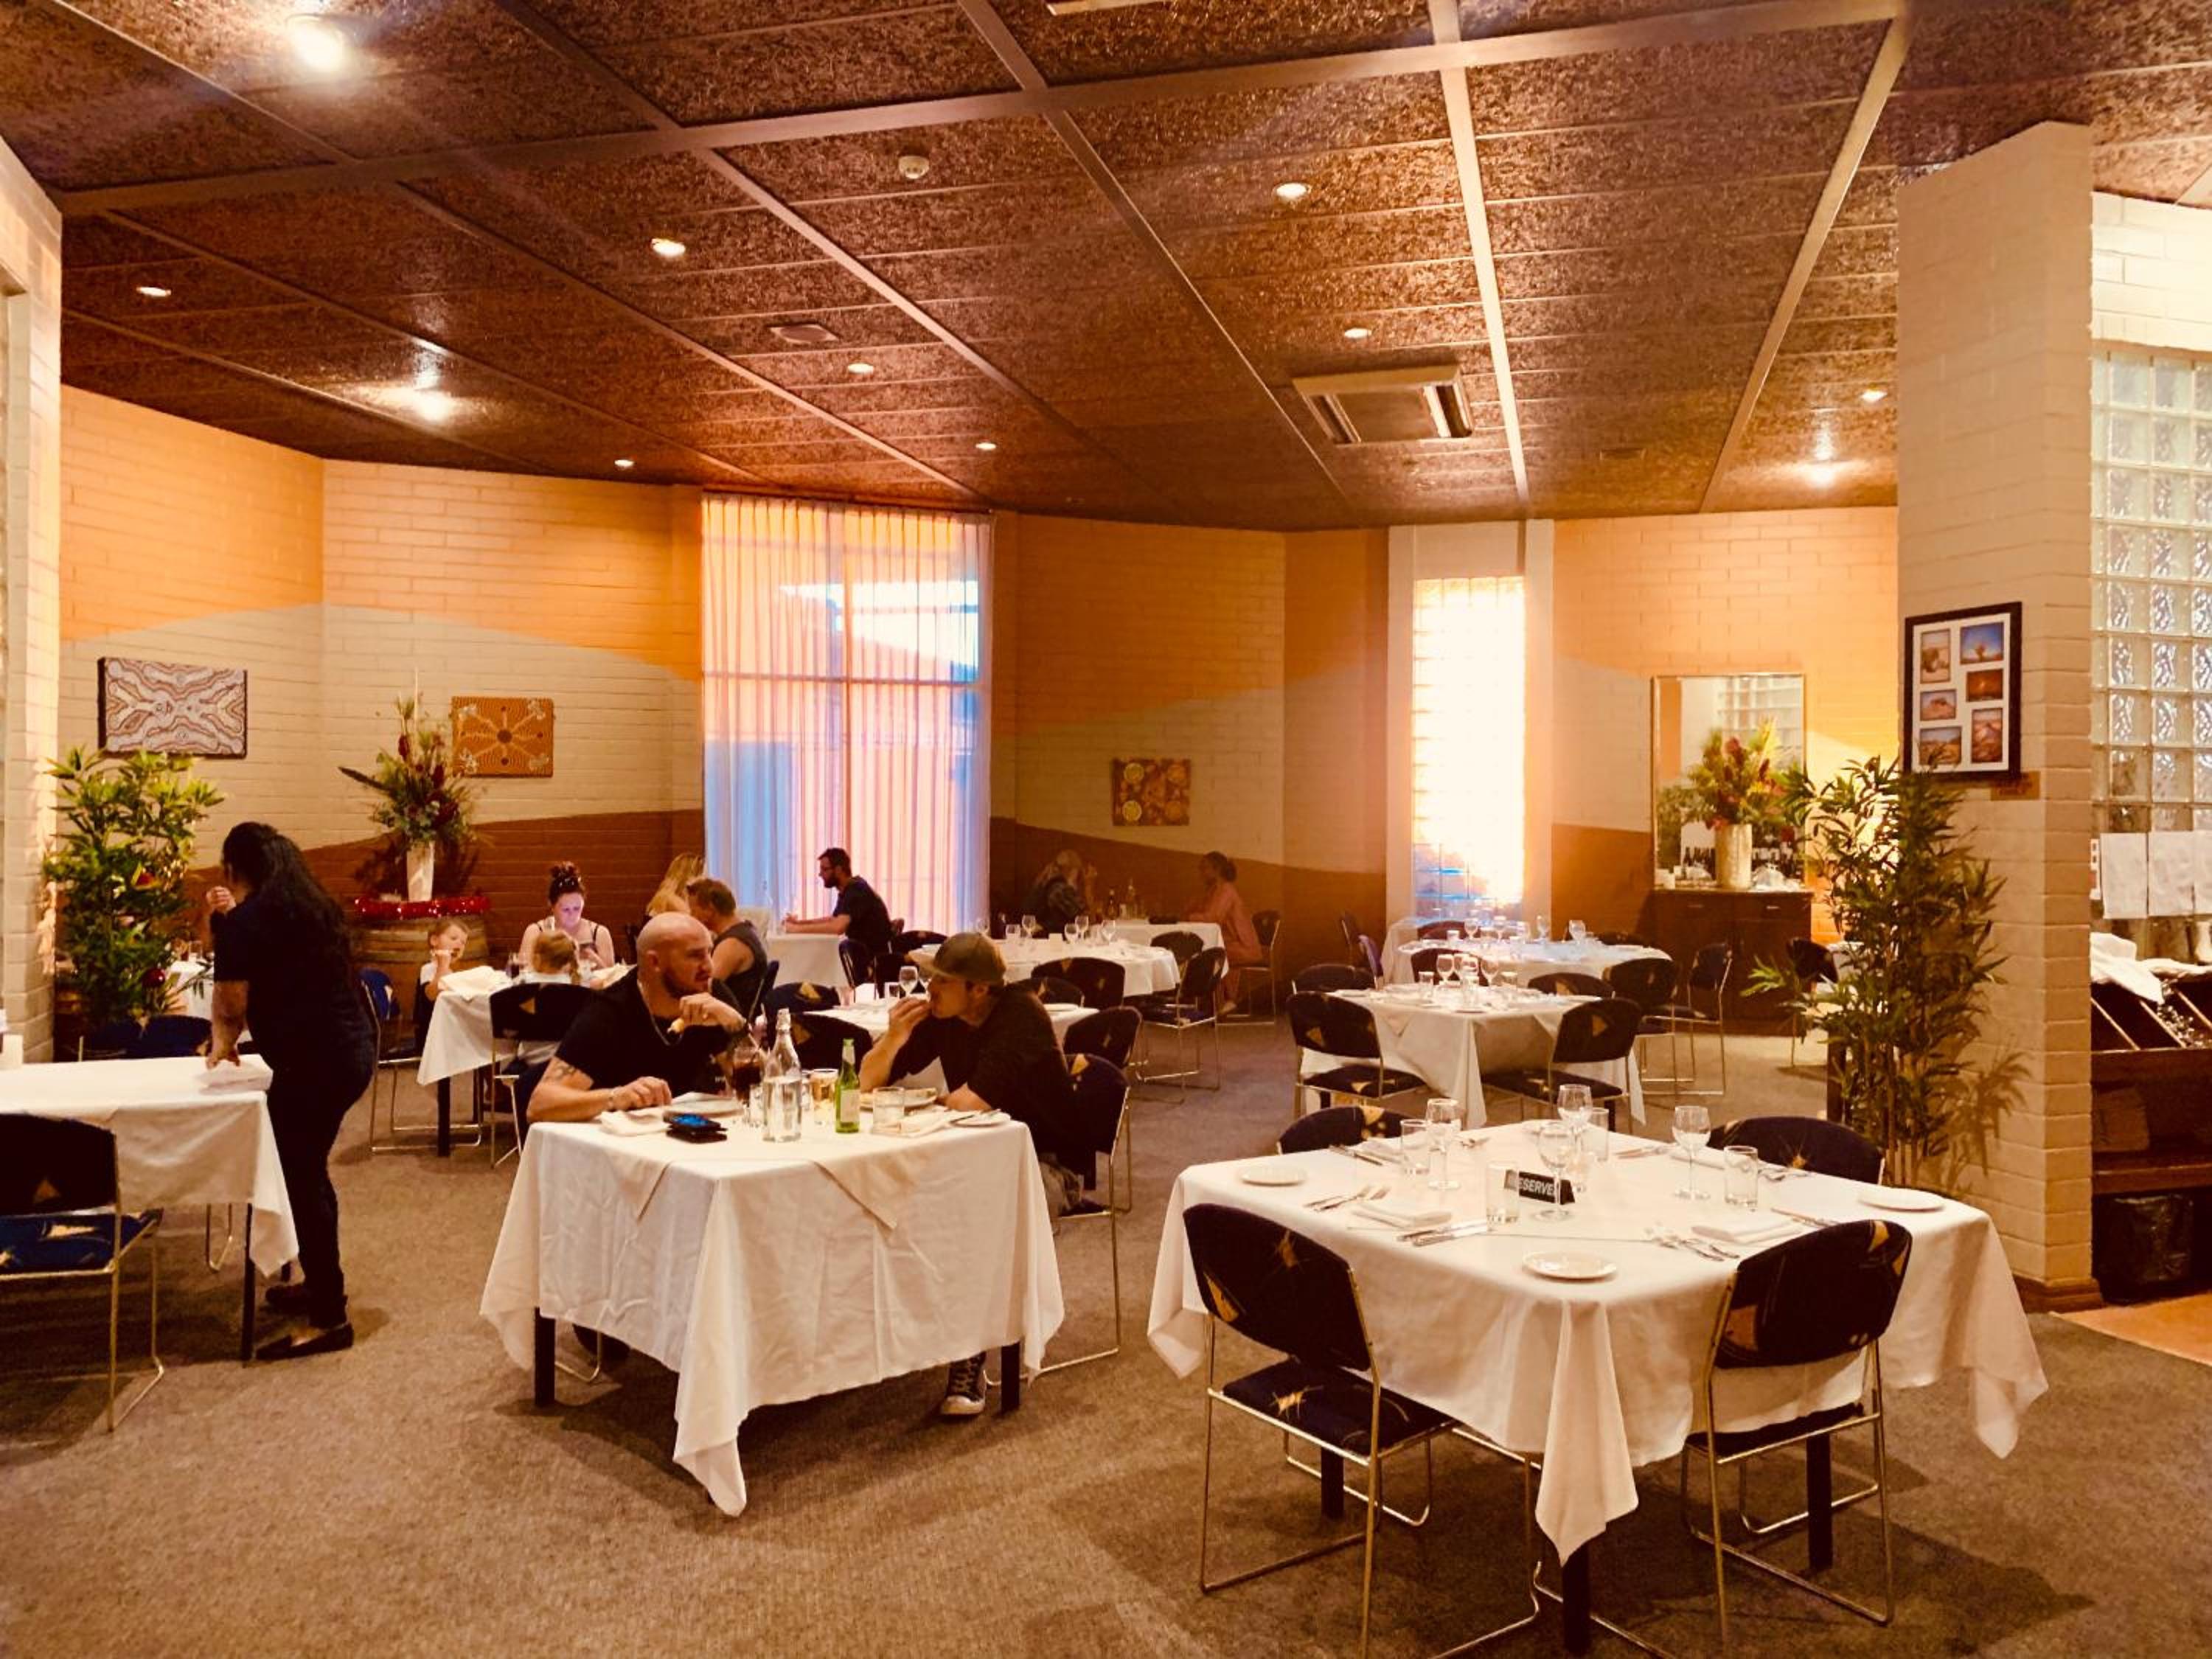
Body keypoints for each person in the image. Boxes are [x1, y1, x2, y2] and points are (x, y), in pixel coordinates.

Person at [857, 932, 1081, 1419]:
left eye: (942, 980)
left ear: (978, 989)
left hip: (1044, 1167)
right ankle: (906, 1332)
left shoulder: (1020, 1016)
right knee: (882, 1194)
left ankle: (969, 1354)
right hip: (969, 1158)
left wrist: (914, 1104)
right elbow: (865, 1083)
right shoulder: (946, 1017)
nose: (930, 989)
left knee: (966, 1216)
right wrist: (893, 1037)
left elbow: (968, 1103)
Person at [206, 822, 377, 1360]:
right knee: (306, 1172)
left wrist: (221, 1043)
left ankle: (329, 1317)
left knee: (302, 1176)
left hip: (315, 1062)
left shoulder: (246, 920)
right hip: (350, 1050)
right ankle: (321, 1285)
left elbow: (231, 1004)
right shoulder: (313, 907)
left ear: (236, 869)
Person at [529, 913, 745, 1121]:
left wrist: (736, 1023)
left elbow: (754, 1087)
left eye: (709, 953)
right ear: (655, 962)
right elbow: (540, 1105)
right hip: (618, 1139)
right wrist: (615, 1097)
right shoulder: (610, 1010)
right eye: (695, 956)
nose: (709, 966)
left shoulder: (713, 996)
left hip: (692, 1128)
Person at [780, 846, 894, 961]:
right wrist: (799, 923)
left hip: (874, 960)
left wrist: (795, 930)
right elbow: (833, 920)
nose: (820, 874)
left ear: (838, 870)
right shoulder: (850, 888)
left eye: (824, 869)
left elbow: (837, 928)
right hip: (866, 955)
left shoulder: (856, 890)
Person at [686, 876, 770, 1018]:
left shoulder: (732, 944)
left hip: (729, 1022)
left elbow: (704, 989)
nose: (691, 916)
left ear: (710, 910)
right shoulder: (746, 930)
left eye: (694, 911)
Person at [520, 862, 616, 973]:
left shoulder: (599, 933)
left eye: (577, 908)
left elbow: (612, 978)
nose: (572, 914)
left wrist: (596, 961)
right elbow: (524, 973)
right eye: (566, 910)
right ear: (552, 906)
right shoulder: (536, 931)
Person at [1183, 850, 1262, 967]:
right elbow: (1196, 910)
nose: (1201, 872)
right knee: (1196, 951)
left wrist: (1189, 918)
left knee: (1200, 953)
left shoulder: (1226, 890)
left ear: (1217, 870)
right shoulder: (1212, 891)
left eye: (1204, 868)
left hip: (1243, 949)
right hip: (1229, 945)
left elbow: (1213, 919)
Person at [416, 917, 468, 1032]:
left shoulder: (450, 972)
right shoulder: (428, 968)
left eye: (463, 942)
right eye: (453, 938)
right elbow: (431, 995)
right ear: (434, 940)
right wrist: (443, 965)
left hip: (447, 1026)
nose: (459, 944)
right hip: (431, 1030)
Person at [1020, 849, 1085, 933]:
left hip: (1034, 933)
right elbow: (1082, 917)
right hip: (1048, 935)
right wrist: (1088, 887)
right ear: (1074, 870)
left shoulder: (1045, 881)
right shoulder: (1060, 888)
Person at [645, 852, 705, 918]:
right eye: (702, 874)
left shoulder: (671, 896)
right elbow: (694, 920)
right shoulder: (668, 897)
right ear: (689, 876)